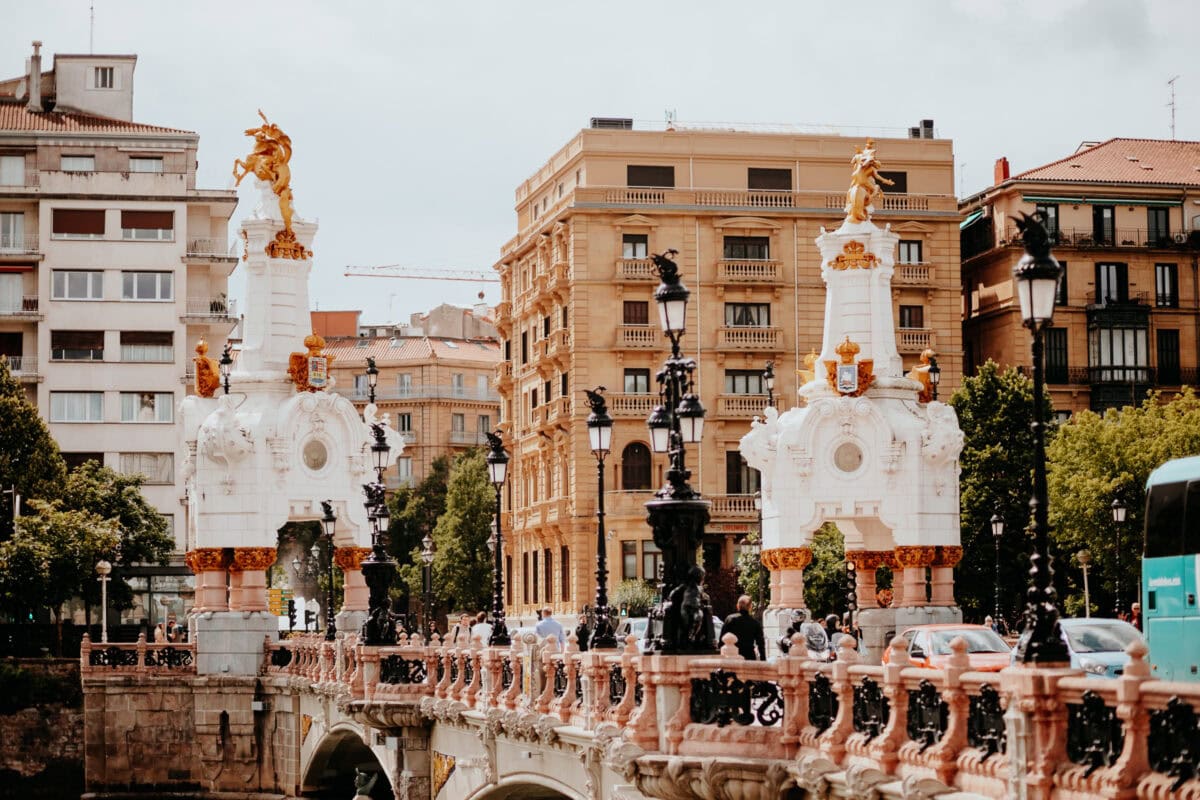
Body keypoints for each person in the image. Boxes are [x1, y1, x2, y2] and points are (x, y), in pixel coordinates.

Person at [721, 595, 766, 661]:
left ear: (737, 606)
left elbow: (722, 640)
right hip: (749, 657)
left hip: (731, 657)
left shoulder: (730, 619)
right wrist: (763, 660)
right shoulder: (755, 623)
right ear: (750, 607)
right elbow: (761, 644)